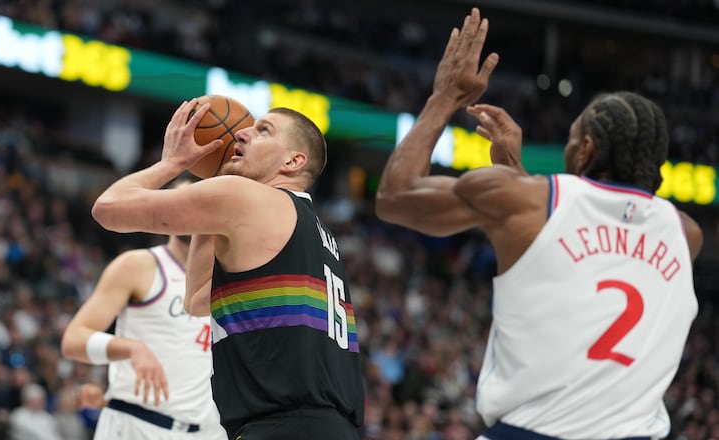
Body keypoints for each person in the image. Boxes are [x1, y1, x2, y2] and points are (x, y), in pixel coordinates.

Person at [375, 7, 703, 440]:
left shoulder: (527, 202)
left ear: (585, 150)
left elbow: (395, 198)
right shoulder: (686, 233)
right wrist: (516, 170)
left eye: (569, 140)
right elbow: (596, 240)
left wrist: (444, 98)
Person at [90, 103, 365, 439]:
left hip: (284, 426)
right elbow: (198, 298)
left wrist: (172, 164)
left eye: (264, 129)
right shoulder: (319, 234)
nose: (242, 132)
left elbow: (109, 208)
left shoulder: (250, 198)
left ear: (293, 161)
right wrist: (215, 195)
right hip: (330, 427)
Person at [61, 175, 227, 440]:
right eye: (180, 202)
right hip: (136, 425)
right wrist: (130, 348)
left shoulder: (228, 282)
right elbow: (73, 340)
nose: (189, 211)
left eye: (197, 202)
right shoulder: (139, 265)